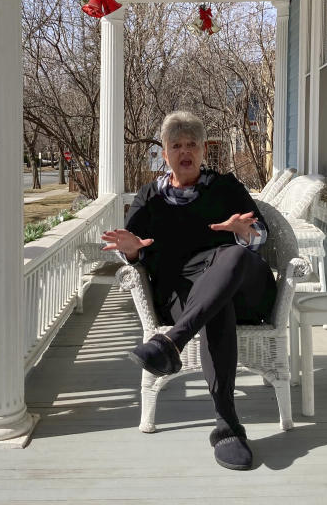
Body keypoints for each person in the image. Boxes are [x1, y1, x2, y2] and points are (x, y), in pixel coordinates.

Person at [101, 111, 276, 471]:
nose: (185, 151)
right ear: (164, 154)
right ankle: (227, 424)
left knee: (231, 257)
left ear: (202, 151)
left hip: (245, 288)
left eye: (192, 144)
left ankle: (171, 343)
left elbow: (262, 234)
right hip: (183, 295)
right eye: (176, 145)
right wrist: (131, 248)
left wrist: (245, 233)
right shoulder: (149, 197)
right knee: (214, 306)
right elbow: (131, 251)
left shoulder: (225, 187)